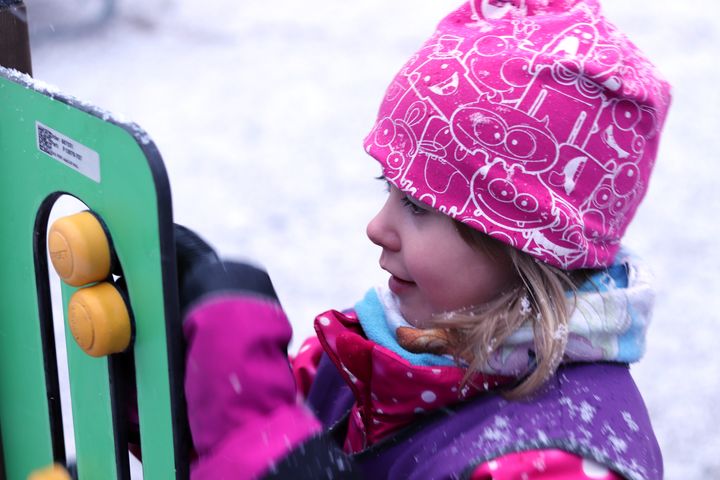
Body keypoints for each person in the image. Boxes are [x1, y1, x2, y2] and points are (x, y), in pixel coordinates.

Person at [177, 0, 671, 478]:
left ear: (522, 242)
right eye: (388, 188)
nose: (376, 227)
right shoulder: (390, 354)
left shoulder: (561, 462)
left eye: (418, 204)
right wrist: (169, 360)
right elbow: (249, 420)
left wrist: (258, 437)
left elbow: (260, 433)